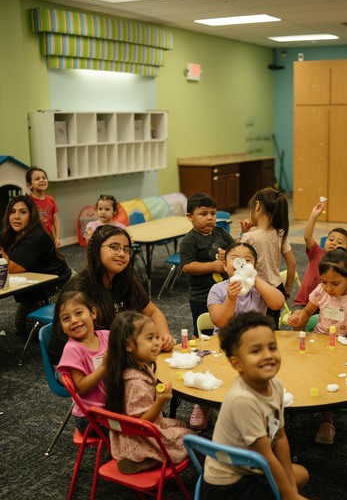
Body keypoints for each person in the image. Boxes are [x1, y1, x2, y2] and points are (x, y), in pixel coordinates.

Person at [202, 311, 325, 500]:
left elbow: (279, 437)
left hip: (247, 469)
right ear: (236, 363)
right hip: (227, 487)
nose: (268, 355)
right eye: (256, 351)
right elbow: (267, 457)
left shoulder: (275, 386)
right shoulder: (243, 400)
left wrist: (290, 486)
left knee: (300, 475)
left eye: (271, 347)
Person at [49, 224, 173, 364]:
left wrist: (164, 336)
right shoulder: (79, 290)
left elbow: (153, 312)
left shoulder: (125, 279)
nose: (122, 254)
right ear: (97, 249)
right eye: (114, 247)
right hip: (76, 362)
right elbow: (79, 343)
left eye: (126, 250)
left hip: (112, 354)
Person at [289, 248, 347, 445]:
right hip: (321, 341)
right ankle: (327, 422)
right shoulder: (321, 291)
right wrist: (298, 318)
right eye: (324, 282)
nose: (328, 288)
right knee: (320, 377)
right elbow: (307, 311)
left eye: (335, 283)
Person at [105, 311, 188, 474]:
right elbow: (141, 423)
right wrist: (160, 401)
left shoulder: (126, 368)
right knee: (190, 438)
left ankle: (146, 458)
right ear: (129, 345)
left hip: (125, 436)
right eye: (150, 338)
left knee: (181, 424)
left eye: (156, 337)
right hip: (141, 438)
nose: (157, 342)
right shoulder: (136, 383)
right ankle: (149, 460)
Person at [180, 193, 233, 430]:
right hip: (201, 297)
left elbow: (235, 250)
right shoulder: (190, 240)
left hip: (225, 295)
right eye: (203, 214)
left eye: (212, 213)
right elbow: (187, 266)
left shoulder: (220, 233)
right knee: (205, 341)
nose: (210, 218)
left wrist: (227, 255)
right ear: (190, 217)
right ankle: (201, 400)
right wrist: (214, 265)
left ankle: (225, 381)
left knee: (225, 339)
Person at [0, 194, 71, 334]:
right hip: (36, 287)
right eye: (12, 212)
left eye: (23, 212)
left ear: (31, 216)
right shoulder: (10, 234)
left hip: (58, 286)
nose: (16, 217)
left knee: (35, 327)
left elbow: (10, 268)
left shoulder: (36, 236)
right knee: (21, 325)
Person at [239, 187, 296, 327]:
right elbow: (292, 264)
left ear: (257, 206)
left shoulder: (249, 237)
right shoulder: (280, 233)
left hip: (256, 290)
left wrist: (242, 233)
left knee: (254, 327)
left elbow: (235, 259)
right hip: (276, 289)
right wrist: (288, 288)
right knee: (272, 328)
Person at [55, 290, 108, 435]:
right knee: (135, 431)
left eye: (78, 313)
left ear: (93, 313)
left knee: (152, 416)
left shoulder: (107, 336)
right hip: (90, 417)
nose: (73, 320)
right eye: (66, 318)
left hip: (112, 408)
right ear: (62, 326)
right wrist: (104, 366)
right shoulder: (72, 350)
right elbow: (81, 388)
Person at [207, 242, 285, 334]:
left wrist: (254, 280)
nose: (241, 263)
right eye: (235, 259)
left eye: (247, 260)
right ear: (225, 266)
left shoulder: (260, 287)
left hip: (255, 337)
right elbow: (219, 322)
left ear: (254, 266)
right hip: (227, 339)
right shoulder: (217, 289)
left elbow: (278, 303)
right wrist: (231, 299)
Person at [26, 166, 60, 247]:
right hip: (33, 240)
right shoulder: (27, 201)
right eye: (37, 179)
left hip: (49, 238)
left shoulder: (51, 199)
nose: (42, 180)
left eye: (44, 178)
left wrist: (57, 237)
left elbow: (55, 221)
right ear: (29, 185)